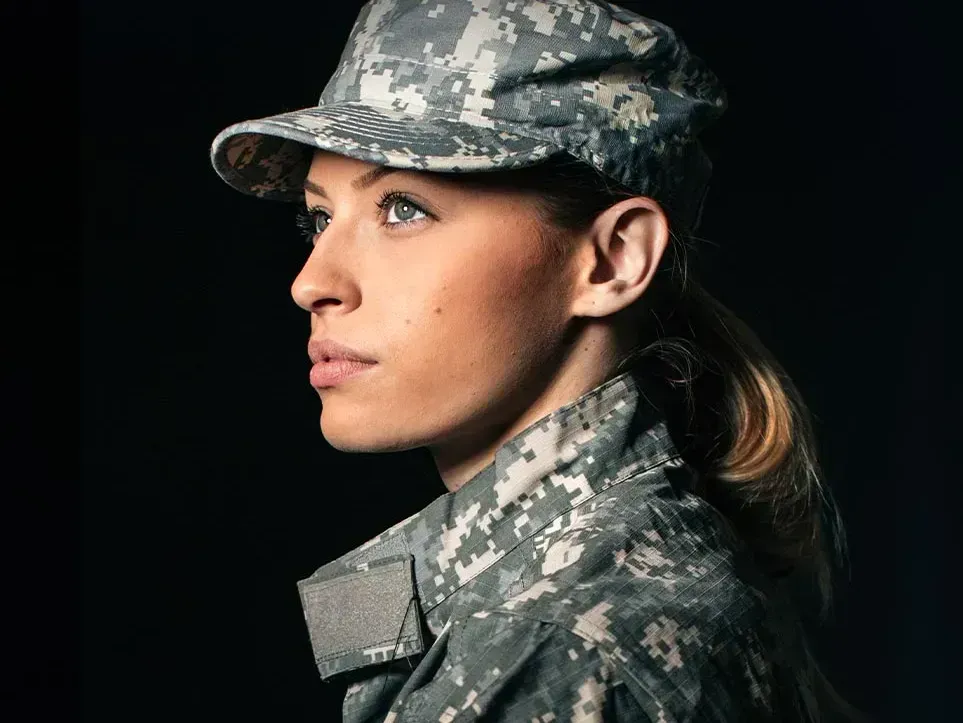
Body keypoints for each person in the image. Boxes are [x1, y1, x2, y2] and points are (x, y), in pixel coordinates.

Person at [209, 1, 860, 720]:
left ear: (613, 259)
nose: (312, 283)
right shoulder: (611, 568)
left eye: (404, 209)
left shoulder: (556, 646)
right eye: (319, 218)